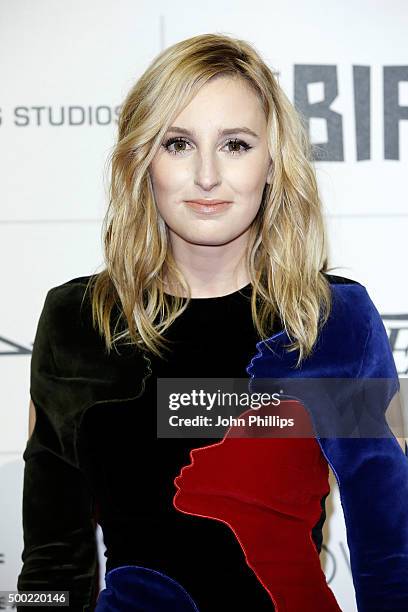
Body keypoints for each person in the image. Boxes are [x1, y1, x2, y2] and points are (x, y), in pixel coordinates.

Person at [16, 33, 408, 612]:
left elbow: (389, 548)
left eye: (235, 144)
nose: (206, 175)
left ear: (273, 163)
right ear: (142, 160)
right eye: (177, 143)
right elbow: (50, 561)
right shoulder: (76, 323)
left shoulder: (335, 321)